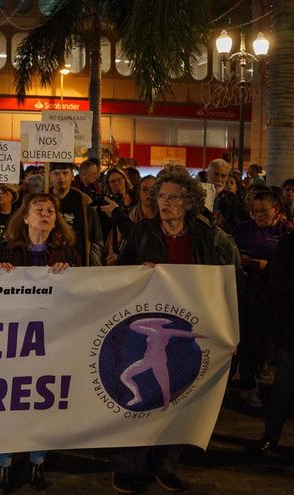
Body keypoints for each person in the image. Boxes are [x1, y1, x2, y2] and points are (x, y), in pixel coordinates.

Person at [113, 166, 239, 494]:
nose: (166, 203)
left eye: (174, 197)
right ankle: (131, 466)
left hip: (189, 332)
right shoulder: (142, 232)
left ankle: (166, 466)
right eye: (162, 196)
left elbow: (228, 282)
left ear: (189, 202)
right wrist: (136, 273)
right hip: (143, 337)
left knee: (178, 398)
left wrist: (229, 329)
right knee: (141, 398)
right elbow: (117, 275)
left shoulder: (209, 236)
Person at [0, 192, 80, 492]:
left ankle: (38, 461)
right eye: (38, 209)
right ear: (24, 217)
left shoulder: (68, 252)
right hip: (11, 342)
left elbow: (85, 294)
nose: (45, 214)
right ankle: (4, 464)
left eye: (50, 210)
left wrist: (73, 276)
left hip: (52, 339)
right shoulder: (5, 250)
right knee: (9, 402)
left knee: (42, 402)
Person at [230, 190, 288, 407]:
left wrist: (267, 267)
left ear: (277, 210)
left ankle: (251, 382)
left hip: (271, 298)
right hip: (243, 294)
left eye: (264, 211)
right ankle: (242, 384)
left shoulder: (286, 234)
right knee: (239, 342)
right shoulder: (242, 229)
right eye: (254, 211)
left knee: (260, 344)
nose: (258, 215)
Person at [252, 229, 294, 456]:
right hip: (292, 327)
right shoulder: (291, 240)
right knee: (281, 387)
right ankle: (271, 435)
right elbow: (276, 276)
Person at [49, 162, 103, 266]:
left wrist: (94, 264)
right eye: (56, 174)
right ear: (50, 177)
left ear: (72, 176)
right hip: (48, 262)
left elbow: (96, 238)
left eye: (65, 173)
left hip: (78, 262)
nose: (61, 177)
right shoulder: (40, 202)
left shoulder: (84, 202)